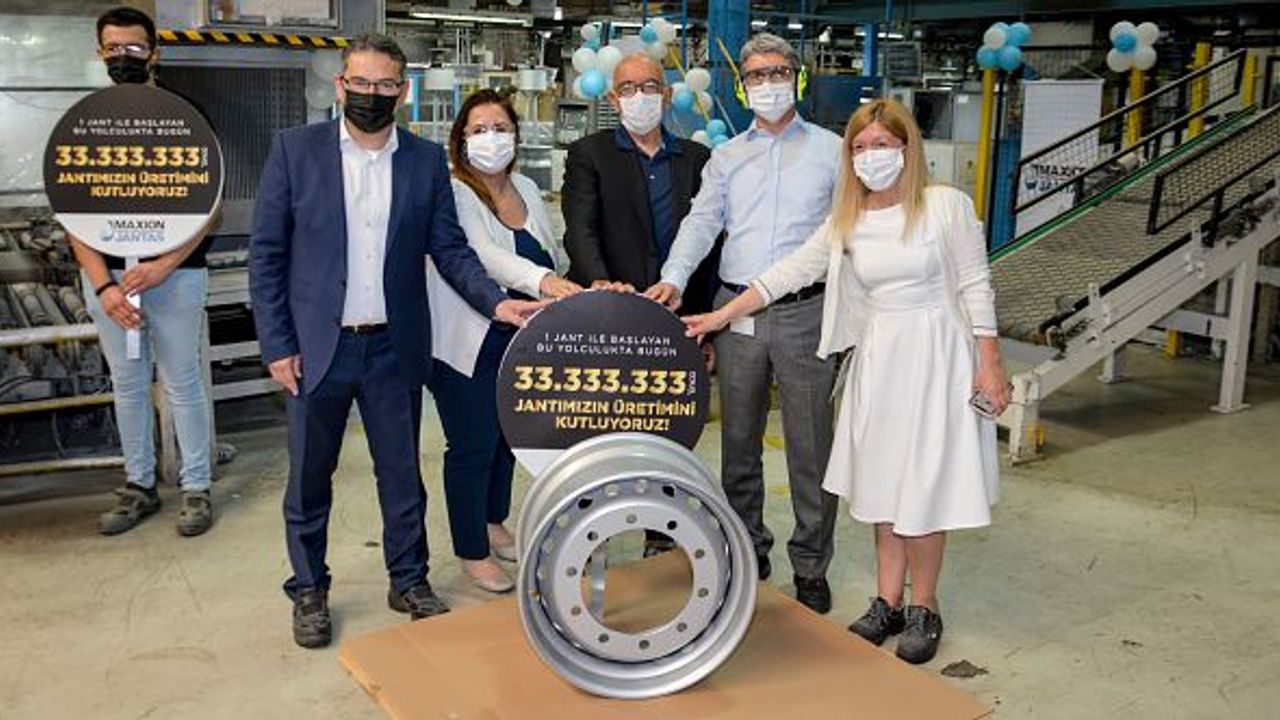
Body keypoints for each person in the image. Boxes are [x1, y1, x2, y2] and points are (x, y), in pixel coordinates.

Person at [683, 98, 1010, 664]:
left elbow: (976, 284)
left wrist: (990, 362)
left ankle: (924, 605)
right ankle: (887, 601)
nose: (870, 156)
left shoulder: (945, 206)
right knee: (882, 484)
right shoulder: (848, 220)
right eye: (859, 147)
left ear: (907, 148)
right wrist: (720, 316)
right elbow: (788, 273)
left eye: (881, 144)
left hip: (936, 354)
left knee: (924, 487)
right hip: (879, 358)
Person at [249, 34, 542, 649]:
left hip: (392, 347)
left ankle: (408, 579)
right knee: (310, 477)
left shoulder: (423, 161)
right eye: (360, 82)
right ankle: (309, 587)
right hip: (318, 347)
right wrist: (277, 344)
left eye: (385, 85)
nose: (371, 94)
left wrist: (496, 302)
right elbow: (267, 255)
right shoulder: (295, 151)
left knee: (402, 473)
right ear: (340, 86)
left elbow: (450, 250)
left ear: (402, 91)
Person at [644, 33, 842, 613]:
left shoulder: (833, 151)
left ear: (796, 79)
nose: (767, 84)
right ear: (742, 85)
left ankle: (811, 564)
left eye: (778, 72)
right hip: (735, 315)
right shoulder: (726, 157)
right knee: (738, 444)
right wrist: (675, 277)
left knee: (812, 448)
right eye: (756, 75)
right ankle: (748, 546)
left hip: (805, 312)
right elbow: (701, 222)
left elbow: (844, 233)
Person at [428, 89, 580, 594]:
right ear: (461, 140)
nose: (491, 138)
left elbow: (550, 249)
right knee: (471, 444)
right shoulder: (456, 192)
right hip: (471, 338)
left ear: (516, 135)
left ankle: (493, 523)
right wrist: (544, 281)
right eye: (479, 130)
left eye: (500, 128)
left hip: (522, 339)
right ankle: (472, 551)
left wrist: (570, 283)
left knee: (505, 440)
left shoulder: (528, 188)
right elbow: (483, 255)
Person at [74, 6, 214, 538]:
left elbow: (209, 205)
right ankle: (139, 484)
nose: (123, 57)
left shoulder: (185, 117)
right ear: (100, 52)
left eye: (134, 47)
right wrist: (103, 285)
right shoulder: (86, 122)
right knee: (128, 384)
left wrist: (163, 265)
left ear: (154, 52)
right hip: (110, 281)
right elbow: (72, 211)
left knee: (183, 380)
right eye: (113, 48)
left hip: (176, 275)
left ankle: (196, 486)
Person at [562, 53, 719, 314]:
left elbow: (707, 233)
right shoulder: (589, 154)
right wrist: (599, 281)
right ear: (614, 100)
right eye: (627, 88)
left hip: (680, 305)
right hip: (612, 301)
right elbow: (580, 228)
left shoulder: (696, 158)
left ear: (666, 96)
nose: (639, 96)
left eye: (650, 86)